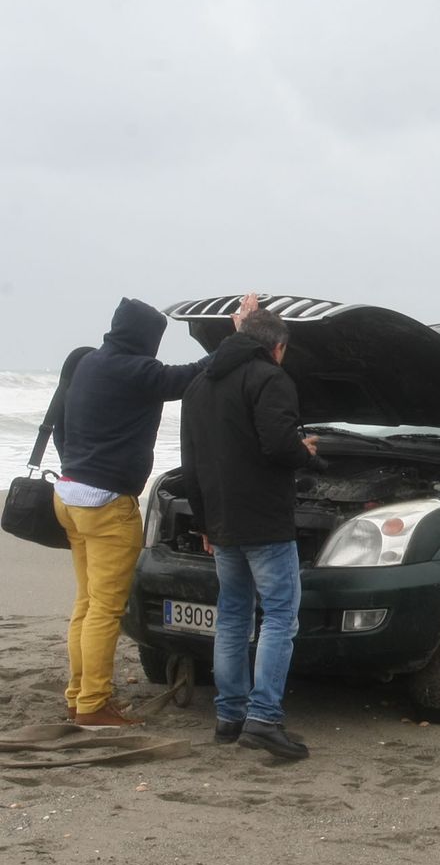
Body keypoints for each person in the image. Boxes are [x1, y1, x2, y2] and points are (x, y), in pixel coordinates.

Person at [53, 298, 209, 727]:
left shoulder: (89, 364)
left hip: (69, 495)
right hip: (106, 504)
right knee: (105, 610)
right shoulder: (136, 370)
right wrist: (238, 340)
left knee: (87, 603)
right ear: (146, 338)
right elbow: (192, 375)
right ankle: (93, 705)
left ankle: (78, 696)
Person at [180, 296, 317, 760]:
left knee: (233, 615)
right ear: (277, 347)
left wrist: (204, 521)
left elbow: (190, 462)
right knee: (279, 617)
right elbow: (278, 446)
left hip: (221, 521)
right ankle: (264, 719)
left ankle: (229, 717)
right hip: (265, 522)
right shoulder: (270, 378)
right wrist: (305, 452)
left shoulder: (199, 384)